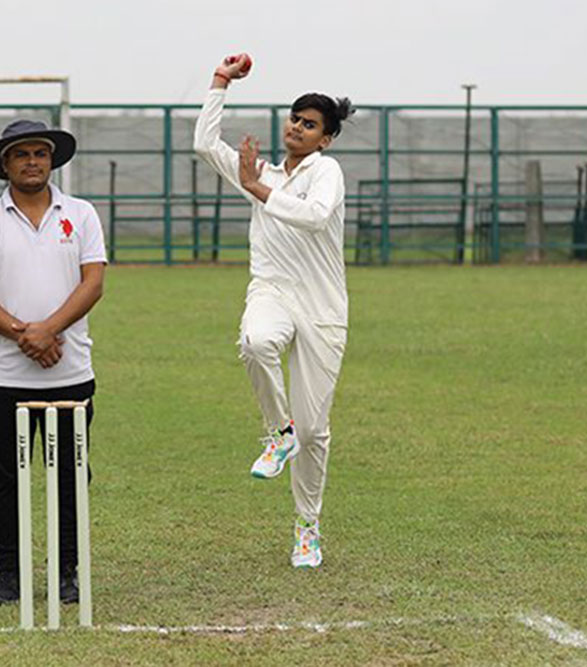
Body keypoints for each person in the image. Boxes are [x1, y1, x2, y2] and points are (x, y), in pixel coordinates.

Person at [193, 54, 353, 569]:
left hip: (323, 307)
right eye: (294, 119)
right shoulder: (259, 171)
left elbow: (315, 216)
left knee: (315, 431)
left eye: (310, 125)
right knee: (256, 342)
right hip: (272, 291)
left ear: (325, 139)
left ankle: (308, 527)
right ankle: (277, 433)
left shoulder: (326, 171)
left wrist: (257, 188)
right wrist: (220, 82)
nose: (297, 128)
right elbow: (204, 145)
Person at [0, 119, 107, 603]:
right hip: (4, 375)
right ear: (5, 164)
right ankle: (10, 574)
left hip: (70, 371)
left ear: (52, 160)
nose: (32, 162)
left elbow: (93, 283)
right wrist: (25, 334)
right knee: (6, 482)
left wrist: (49, 329)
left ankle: (66, 572)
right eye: (21, 154)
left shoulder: (81, 214)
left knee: (69, 480)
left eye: (40, 153)